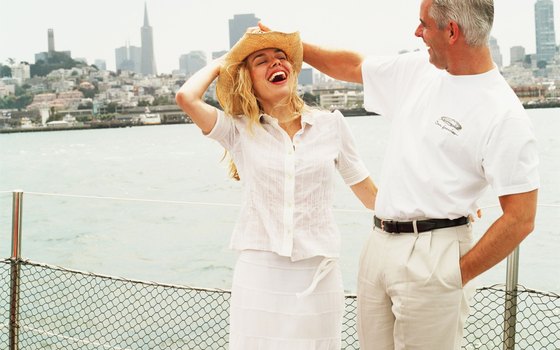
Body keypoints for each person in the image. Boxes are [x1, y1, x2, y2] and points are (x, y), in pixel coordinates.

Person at [259, 0, 539, 348]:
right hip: (379, 244)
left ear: (452, 31)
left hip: (436, 256)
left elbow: (521, 218)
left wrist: (455, 275)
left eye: (424, 24)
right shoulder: (419, 69)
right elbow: (353, 65)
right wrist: (288, 44)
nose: (417, 32)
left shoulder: (503, 113)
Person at [175, 28, 377, 349]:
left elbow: (368, 192)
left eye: (281, 57)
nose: (275, 63)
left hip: (318, 271)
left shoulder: (331, 125)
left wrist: (432, 209)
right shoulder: (238, 130)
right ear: (248, 79)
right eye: (261, 60)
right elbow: (187, 98)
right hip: (260, 271)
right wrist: (225, 61)